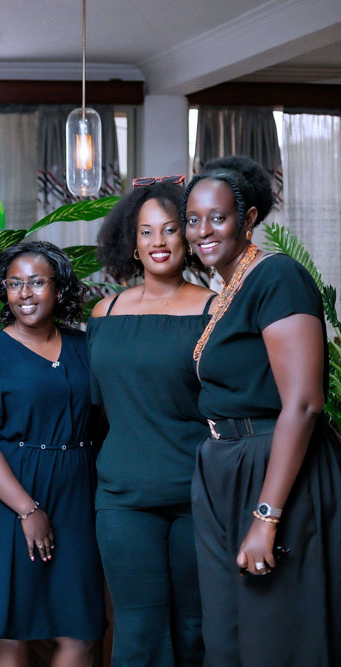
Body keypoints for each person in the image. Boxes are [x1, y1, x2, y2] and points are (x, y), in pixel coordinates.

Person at [183, 155, 341, 666]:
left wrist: (266, 516)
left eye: (218, 217)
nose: (202, 231)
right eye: (192, 219)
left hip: (272, 464)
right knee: (227, 636)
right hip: (224, 465)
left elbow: (304, 401)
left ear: (248, 219)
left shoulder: (278, 276)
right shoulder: (228, 290)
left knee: (277, 636)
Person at [0, 240, 105, 667]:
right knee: (13, 628)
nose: (25, 293)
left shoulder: (84, 346)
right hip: (11, 492)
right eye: (14, 283)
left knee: (81, 629)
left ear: (59, 288)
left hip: (77, 491)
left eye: (37, 282)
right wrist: (27, 510)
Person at [87, 179, 213, 666]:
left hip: (198, 494)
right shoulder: (105, 313)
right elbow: (99, 408)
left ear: (189, 238)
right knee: (137, 628)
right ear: (131, 243)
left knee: (194, 627)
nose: (158, 241)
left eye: (170, 229)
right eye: (146, 232)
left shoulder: (214, 310)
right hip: (123, 496)